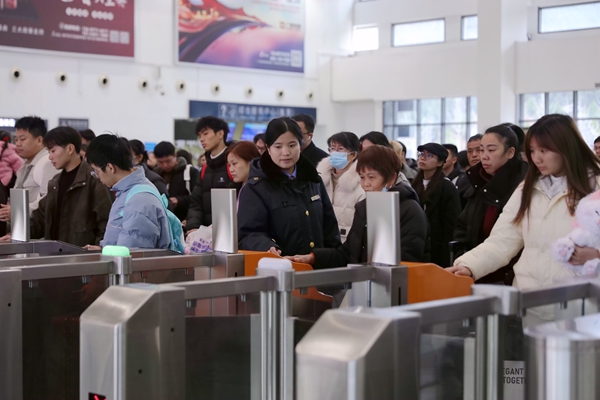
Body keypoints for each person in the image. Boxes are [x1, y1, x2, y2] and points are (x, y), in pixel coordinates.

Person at [448, 114, 600, 325]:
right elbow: (504, 238)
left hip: (581, 304)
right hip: (531, 302)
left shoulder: (595, 188)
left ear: (565, 148)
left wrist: (597, 255)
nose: (536, 158)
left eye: (544, 151)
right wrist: (469, 265)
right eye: (532, 151)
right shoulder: (527, 188)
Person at [288, 145, 428, 267]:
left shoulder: (410, 210)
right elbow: (348, 253)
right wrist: (313, 257)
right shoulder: (363, 207)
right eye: (362, 177)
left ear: (391, 178)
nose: (365, 184)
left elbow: (406, 260)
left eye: (372, 177)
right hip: (362, 286)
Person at [238, 117, 341, 256]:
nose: (286, 152)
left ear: (301, 145)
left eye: (292, 145)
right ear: (268, 148)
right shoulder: (256, 188)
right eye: (278, 146)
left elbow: (330, 229)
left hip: (316, 269)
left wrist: (331, 259)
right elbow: (248, 234)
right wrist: (267, 247)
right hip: (279, 268)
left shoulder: (313, 180)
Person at [454, 124, 528, 284]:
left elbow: (511, 239)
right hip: (476, 269)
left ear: (510, 152)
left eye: (491, 150)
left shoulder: (523, 186)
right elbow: (463, 225)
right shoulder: (478, 181)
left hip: (509, 276)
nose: (483, 156)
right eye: (481, 150)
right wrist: (463, 256)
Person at [14, 127, 112, 246]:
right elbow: (40, 219)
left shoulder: (94, 180)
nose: (50, 156)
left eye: (53, 151)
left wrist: (100, 250)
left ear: (70, 149)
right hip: (56, 256)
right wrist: (18, 233)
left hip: (83, 258)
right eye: (48, 151)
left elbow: (105, 222)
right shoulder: (55, 183)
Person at [85, 134, 172, 249]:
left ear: (110, 168)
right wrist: (103, 249)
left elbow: (133, 255)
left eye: (96, 171)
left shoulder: (139, 201)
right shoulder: (128, 190)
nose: (97, 177)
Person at [0, 117, 58, 223]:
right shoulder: (25, 165)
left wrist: (18, 211)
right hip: (23, 227)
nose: (18, 144)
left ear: (39, 140)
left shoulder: (48, 163)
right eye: (16, 139)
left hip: (37, 232)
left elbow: (48, 200)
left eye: (22, 139)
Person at [412, 143, 460, 268]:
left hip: (436, 246)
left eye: (429, 155)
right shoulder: (414, 184)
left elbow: (450, 223)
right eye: (422, 154)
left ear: (440, 163)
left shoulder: (446, 187)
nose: (423, 158)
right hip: (417, 244)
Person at [187, 116, 239, 232]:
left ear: (220, 134)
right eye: (200, 136)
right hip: (206, 236)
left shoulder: (234, 164)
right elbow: (196, 203)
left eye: (205, 134)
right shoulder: (205, 168)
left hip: (231, 233)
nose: (201, 139)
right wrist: (193, 227)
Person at [316, 132, 364, 242]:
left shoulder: (360, 183)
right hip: (322, 242)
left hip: (348, 243)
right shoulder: (319, 180)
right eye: (332, 148)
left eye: (341, 149)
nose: (335, 152)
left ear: (353, 155)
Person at [153, 141, 199, 222]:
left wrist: (179, 200)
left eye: (168, 161)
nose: (165, 165)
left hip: (184, 221)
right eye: (160, 162)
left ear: (175, 155)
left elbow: (198, 197)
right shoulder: (155, 175)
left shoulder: (190, 172)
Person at [227, 141, 260, 209]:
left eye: (234, 164)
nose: (231, 169)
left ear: (250, 161)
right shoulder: (236, 188)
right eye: (229, 165)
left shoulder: (261, 189)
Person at [443, 144, 471, 208]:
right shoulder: (435, 178)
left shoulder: (462, 179)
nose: (442, 159)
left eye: (445, 156)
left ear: (454, 160)